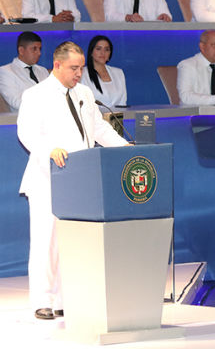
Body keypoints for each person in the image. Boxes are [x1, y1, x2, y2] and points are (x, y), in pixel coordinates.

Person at [17, 41, 128, 320]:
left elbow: (99, 127)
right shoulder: (35, 95)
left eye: (81, 68)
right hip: (48, 176)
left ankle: (68, 299)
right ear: (57, 65)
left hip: (81, 176)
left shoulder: (85, 93)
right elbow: (27, 133)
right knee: (46, 240)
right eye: (74, 68)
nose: (79, 73)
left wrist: (125, 148)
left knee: (77, 240)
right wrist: (49, 150)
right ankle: (42, 300)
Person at [0, 32, 49, 112]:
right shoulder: (6, 71)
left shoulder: (43, 70)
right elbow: (16, 102)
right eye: (34, 49)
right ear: (21, 50)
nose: (39, 53)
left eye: (40, 49)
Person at [80, 35, 127, 108]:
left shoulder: (119, 73)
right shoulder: (82, 74)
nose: (103, 53)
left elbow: (123, 102)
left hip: (117, 118)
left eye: (107, 49)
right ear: (91, 52)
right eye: (98, 49)